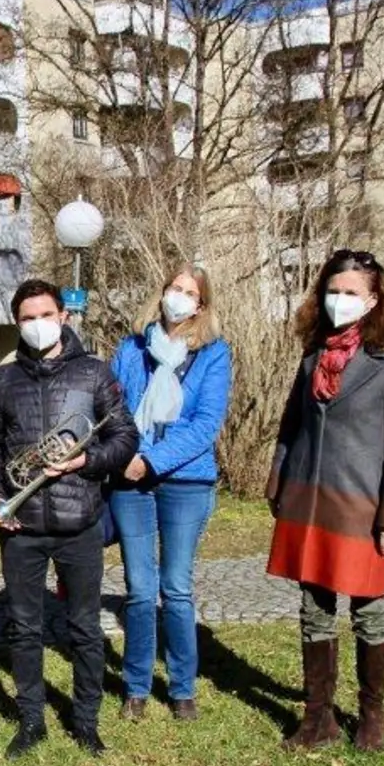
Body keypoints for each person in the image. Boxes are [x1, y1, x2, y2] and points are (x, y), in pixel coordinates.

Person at [266, 249, 384, 754]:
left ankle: (372, 715)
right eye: (333, 291)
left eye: (351, 293)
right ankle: (318, 718)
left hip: (364, 505)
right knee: (314, 610)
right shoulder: (314, 353)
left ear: (374, 299)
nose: (340, 300)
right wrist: (278, 484)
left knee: (369, 612)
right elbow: (292, 426)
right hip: (309, 501)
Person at [0, 279, 137, 759]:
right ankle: (31, 721)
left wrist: (83, 463)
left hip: (78, 523)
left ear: (62, 317)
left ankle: (85, 722)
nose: (37, 325)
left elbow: (125, 437)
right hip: (20, 526)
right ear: (17, 323)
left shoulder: (94, 372)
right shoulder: (2, 381)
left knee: (85, 628)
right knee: (24, 629)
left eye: (45, 315)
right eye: (27, 318)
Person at [107, 264, 232, 722]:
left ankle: (182, 688)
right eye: (173, 288)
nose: (178, 297)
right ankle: (136, 686)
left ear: (201, 305)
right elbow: (112, 408)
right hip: (129, 480)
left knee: (175, 587)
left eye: (189, 292)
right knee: (139, 590)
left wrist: (154, 460)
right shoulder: (132, 347)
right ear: (160, 294)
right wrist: (125, 457)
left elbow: (206, 424)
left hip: (186, 480)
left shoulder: (213, 354)